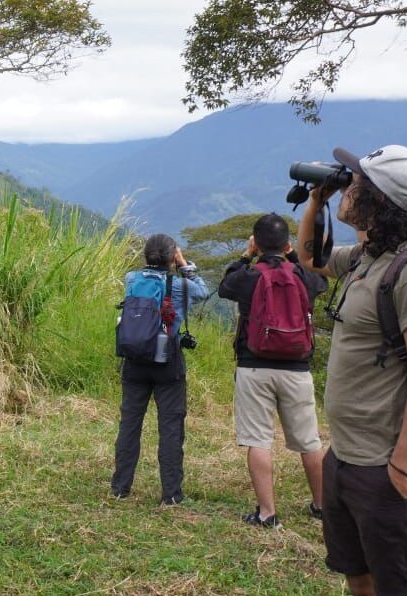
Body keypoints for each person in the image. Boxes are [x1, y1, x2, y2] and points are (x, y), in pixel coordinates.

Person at [297, 145, 407, 596]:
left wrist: (402, 467)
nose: (349, 184)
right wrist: (315, 203)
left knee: (403, 587)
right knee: (358, 575)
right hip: (346, 457)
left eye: (358, 181)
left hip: (388, 465)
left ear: (379, 198)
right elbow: (310, 259)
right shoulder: (368, 258)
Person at [218, 213, 327, 528]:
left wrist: (244, 257)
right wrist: (294, 256)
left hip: (254, 367)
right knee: (309, 441)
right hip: (297, 369)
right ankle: (321, 506)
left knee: (258, 440)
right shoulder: (303, 277)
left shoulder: (248, 277)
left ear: (255, 243)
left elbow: (225, 286)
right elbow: (321, 282)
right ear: (287, 244)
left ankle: (267, 514)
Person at [111, 234, 210, 505]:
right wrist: (183, 263)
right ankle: (171, 495)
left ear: (145, 256)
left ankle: (120, 488)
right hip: (168, 362)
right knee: (170, 427)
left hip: (134, 360)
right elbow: (202, 291)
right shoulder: (178, 286)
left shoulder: (132, 279)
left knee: (130, 423)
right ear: (171, 257)